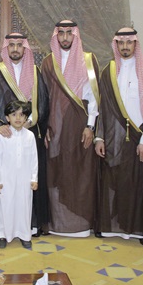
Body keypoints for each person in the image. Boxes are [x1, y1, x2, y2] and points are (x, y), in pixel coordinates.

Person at [0, 32, 49, 238]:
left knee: (28, 182)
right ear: (6, 48)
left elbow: (43, 102)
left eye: (19, 45)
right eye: (11, 45)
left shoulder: (35, 72)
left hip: (29, 134)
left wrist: (30, 122)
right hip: (4, 136)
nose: (15, 49)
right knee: (3, 182)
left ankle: (30, 226)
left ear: (25, 48)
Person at [94, 27, 143, 244]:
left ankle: (137, 229)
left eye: (129, 42)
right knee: (114, 181)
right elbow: (102, 107)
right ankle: (112, 227)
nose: (125, 47)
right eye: (121, 43)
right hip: (114, 137)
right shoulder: (109, 71)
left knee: (138, 183)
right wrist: (99, 137)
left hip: (139, 136)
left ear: (136, 45)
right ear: (116, 45)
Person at [40, 20, 99, 237]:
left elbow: (94, 97)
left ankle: (79, 224)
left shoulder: (88, 60)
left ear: (75, 35)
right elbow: (43, 97)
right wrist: (45, 126)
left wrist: (90, 126)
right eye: (61, 33)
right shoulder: (48, 62)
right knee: (55, 172)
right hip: (54, 126)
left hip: (79, 126)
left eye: (69, 33)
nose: (65, 38)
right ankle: (57, 223)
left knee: (80, 173)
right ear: (56, 36)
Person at [0, 100, 38, 249]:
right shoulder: (2, 137)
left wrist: (34, 178)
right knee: (4, 206)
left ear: (26, 118)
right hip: (6, 179)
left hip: (25, 179)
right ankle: (2, 235)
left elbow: (34, 159)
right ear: (7, 118)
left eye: (21, 115)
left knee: (24, 206)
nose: (18, 118)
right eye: (14, 115)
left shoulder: (30, 136)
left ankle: (24, 235)